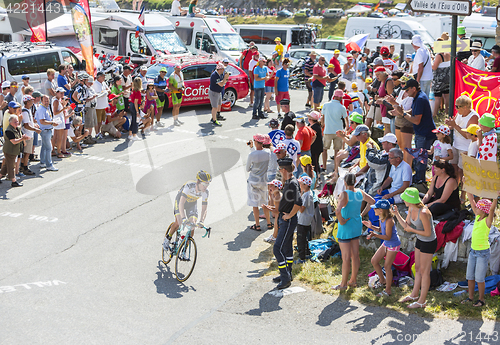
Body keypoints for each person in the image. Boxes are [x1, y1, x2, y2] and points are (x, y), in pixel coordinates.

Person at [393, 188, 437, 309]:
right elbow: (406, 226)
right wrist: (396, 214)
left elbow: (428, 233)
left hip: (429, 242)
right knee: (417, 268)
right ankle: (414, 295)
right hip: (420, 240)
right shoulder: (411, 208)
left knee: (424, 271)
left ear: (411, 200)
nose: (402, 200)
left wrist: (412, 230)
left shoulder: (423, 212)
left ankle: (422, 301)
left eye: (405, 198)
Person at [333, 173, 375, 290]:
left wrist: (341, 221)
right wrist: (362, 214)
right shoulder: (360, 192)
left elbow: (337, 211)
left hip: (346, 227)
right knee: (355, 255)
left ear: (345, 182)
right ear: (355, 181)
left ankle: (343, 284)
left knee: (346, 258)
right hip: (356, 226)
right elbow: (372, 201)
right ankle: (353, 280)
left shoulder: (344, 194)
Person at [463, 191, 498, 307]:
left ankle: (481, 299)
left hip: (482, 253)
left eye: (478, 208)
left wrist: (495, 198)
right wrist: (468, 189)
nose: (475, 209)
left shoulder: (487, 221)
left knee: (479, 278)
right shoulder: (477, 217)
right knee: (470, 277)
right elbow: (472, 202)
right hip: (473, 252)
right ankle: (471, 297)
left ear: (483, 211)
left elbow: (492, 210)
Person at [272, 157, 302, 290]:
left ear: (284, 170)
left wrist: (290, 215)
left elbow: (298, 202)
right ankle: (287, 274)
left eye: (280, 169)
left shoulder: (292, 184)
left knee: (277, 248)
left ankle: (285, 278)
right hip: (286, 219)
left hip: (288, 220)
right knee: (287, 248)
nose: (279, 171)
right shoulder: (290, 181)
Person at [163, 170, 211, 249]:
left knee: (192, 225)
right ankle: (167, 239)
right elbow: (181, 203)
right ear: (198, 182)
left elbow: (204, 209)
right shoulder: (189, 186)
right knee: (179, 221)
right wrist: (184, 218)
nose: (206, 187)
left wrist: (202, 221)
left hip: (192, 204)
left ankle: (184, 249)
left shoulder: (206, 192)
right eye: (204, 184)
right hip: (180, 201)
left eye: (207, 184)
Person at [363, 199, 400, 297]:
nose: (373, 210)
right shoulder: (381, 218)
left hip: (393, 244)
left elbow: (387, 236)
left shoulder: (389, 221)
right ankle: (382, 280)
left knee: (387, 267)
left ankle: (388, 291)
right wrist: (372, 227)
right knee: (374, 261)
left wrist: (375, 235)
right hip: (387, 243)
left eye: (375, 209)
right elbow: (381, 230)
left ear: (381, 210)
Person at [402, 79, 436, 183]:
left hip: (424, 134)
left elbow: (416, 120)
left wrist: (402, 114)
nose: (406, 92)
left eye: (407, 90)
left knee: (420, 159)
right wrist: (401, 112)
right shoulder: (418, 96)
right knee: (419, 158)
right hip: (422, 133)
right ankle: (419, 178)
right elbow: (413, 111)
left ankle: (420, 181)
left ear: (413, 88)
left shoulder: (420, 98)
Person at [445, 95, 478, 192]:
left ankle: (463, 194)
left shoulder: (474, 117)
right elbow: (454, 126)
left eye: (457, 106)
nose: (456, 108)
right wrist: (450, 124)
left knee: (462, 172)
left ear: (465, 107)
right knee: (453, 169)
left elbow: (467, 135)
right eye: (456, 106)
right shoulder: (459, 113)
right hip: (456, 144)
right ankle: (454, 190)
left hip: (466, 148)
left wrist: (454, 125)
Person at [247, 134, 271, 231]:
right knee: (264, 203)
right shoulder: (268, 153)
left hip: (253, 180)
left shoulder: (251, 155)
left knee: (255, 204)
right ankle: (269, 223)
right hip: (264, 180)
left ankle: (257, 225)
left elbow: (247, 168)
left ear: (256, 142)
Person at [0, 114, 30, 187]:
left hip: (15, 150)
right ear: (10, 123)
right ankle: (14, 181)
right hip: (9, 151)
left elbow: (20, 136)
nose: (16, 123)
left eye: (17, 121)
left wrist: (24, 139)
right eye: (15, 122)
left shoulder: (17, 128)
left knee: (6, 166)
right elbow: (13, 141)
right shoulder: (8, 131)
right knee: (11, 166)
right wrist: (22, 139)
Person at [322, 89, 348, 172]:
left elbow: (322, 118)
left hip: (328, 130)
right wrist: (346, 129)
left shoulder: (326, 105)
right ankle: (336, 168)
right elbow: (346, 120)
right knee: (337, 150)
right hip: (339, 132)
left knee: (325, 149)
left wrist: (323, 126)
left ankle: (324, 167)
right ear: (339, 97)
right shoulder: (342, 107)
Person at [35, 95, 58, 171]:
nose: (47, 102)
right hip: (45, 130)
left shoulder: (44, 107)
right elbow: (42, 121)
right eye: (45, 100)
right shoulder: (42, 109)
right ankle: (49, 165)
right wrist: (52, 123)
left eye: (47, 100)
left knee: (44, 147)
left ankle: (42, 162)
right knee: (49, 148)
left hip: (46, 130)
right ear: (41, 101)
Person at [20, 95, 41, 175]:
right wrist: (35, 129)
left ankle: (22, 166)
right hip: (27, 134)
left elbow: (28, 123)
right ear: (27, 102)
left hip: (28, 133)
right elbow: (26, 125)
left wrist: (34, 125)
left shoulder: (27, 110)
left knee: (26, 152)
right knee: (27, 152)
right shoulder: (25, 111)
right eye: (31, 100)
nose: (33, 101)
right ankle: (25, 167)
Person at [296, 175, 314, 264]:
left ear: (305, 185)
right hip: (307, 221)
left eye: (301, 183)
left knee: (300, 240)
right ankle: (307, 253)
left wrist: (297, 202)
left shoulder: (306, 195)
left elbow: (302, 209)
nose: (300, 185)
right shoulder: (309, 193)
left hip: (302, 221)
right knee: (305, 238)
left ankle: (302, 258)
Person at [431, 50, 451, 118]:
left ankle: (435, 114)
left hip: (439, 79)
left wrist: (431, 61)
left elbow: (434, 67)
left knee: (437, 97)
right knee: (446, 95)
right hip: (447, 77)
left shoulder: (439, 56)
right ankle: (446, 112)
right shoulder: (448, 54)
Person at [262, 179, 283, 244]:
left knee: (276, 225)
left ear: (277, 187)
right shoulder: (277, 194)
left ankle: (274, 237)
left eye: (272, 186)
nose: (270, 187)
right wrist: (269, 207)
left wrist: (267, 208)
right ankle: (274, 236)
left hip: (280, 216)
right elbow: (277, 208)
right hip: (280, 215)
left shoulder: (277, 197)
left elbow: (277, 211)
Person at [93, 72, 110, 139]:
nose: (104, 77)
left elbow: (108, 89)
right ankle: (97, 133)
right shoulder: (95, 84)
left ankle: (99, 132)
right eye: (103, 76)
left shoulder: (103, 83)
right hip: (98, 105)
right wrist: (105, 92)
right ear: (99, 77)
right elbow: (99, 94)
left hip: (103, 105)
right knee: (97, 120)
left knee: (101, 120)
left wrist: (105, 92)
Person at [308, 111, 323, 175]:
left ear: (311, 119)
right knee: (314, 161)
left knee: (315, 162)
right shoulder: (313, 125)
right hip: (314, 148)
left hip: (316, 148)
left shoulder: (315, 127)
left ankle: (317, 175)